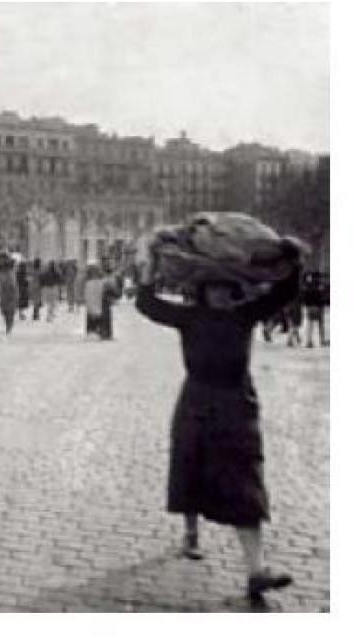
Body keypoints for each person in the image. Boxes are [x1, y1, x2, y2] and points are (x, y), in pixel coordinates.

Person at [135, 241, 302, 606]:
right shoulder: (188, 316)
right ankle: (191, 534)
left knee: (246, 479)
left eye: (228, 289)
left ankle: (256, 570)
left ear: (235, 290)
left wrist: (292, 259)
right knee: (190, 467)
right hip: (197, 399)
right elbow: (147, 304)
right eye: (215, 288)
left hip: (237, 402)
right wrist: (146, 270)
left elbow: (285, 291)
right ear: (203, 290)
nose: (222, 295)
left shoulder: (245, 313)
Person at [302, 271, 329, 348]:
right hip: (318, 307)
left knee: (310, 325)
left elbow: (305, 298)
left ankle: (308, 341)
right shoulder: (319, 287)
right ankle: (322, 340)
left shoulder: (307, 287)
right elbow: (322, 297)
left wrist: (307, 305)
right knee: (320, 325)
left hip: (309, 307)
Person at [0, 261, 19, 335]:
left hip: (7, 294)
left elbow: (13, 285)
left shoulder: (9, 274)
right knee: (7, 311)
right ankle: (8, 325)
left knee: (9, 311)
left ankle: (9, 326)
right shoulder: (5, 274)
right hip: (6, 294)